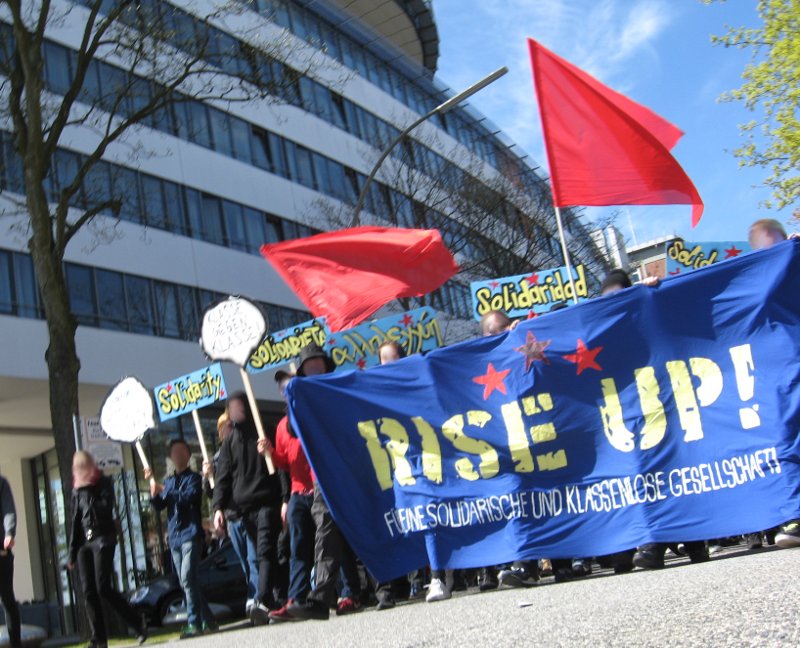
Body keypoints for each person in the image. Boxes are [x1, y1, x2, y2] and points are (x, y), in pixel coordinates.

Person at [279, 343, 362, 621]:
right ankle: (322, 596)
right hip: (321, 479)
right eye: (308, 365)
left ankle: (382, 586)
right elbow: (291, 430)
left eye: (318, 363)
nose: (314, 367)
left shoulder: (337, 389)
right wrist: (294, 396)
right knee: (325, 531)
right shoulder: (300, 396)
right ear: (302, 370)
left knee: (356, 532)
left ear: (326, 366)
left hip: (348, 473)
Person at [212, 392, 289, 625]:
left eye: (240, 405)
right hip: (244, 510)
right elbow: (223, 477)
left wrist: (285, 498)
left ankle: (262, 600)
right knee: (265, 554)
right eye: (232, 407)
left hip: (267, 502)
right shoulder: (229, 442)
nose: (237, 410)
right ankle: (277, 599)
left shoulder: (265, 431)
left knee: (265, 551)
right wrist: (218, 508)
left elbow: (281, 467)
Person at [748, 218, 800, 548]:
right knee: (787, 438)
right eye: (766, 250)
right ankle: (796, 514)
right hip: (778, 375)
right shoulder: (750, 280)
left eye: (780, 245)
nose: (775, 254)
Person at [67, 451, 147, 648]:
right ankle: (99, 639)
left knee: (103, 586)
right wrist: (71, 552)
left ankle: (137, 623)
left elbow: (105, 508)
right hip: (83, 544)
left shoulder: (103, 482)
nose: (79, 471)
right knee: (88, 591)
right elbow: (75, 521)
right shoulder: (76, 489)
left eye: (82, 466)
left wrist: (88, 490)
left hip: (103, 538)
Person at [146, 439, 216, 638]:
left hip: (191, 535)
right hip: (175, 538)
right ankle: (208, 620)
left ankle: (194, 622)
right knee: (188, 581)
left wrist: (165, 490)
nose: (177, 455)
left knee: (187, 578)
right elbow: (160, 505)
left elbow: (190, 498)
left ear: (188, 455)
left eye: (181, 452)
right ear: (170, 457)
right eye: (174, 453)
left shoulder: (194, 478)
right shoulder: (168, 481)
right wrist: (153, 493)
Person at [267, 369, 317, 622]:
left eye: (290, 383)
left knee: (330, 543)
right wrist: (270, 453)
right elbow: (285, 462)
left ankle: (348, 593)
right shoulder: (281, 426)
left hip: (321, 488)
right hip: (299, 493)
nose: (285, 389)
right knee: (298, 547)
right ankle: (296, 598)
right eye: (282, 387)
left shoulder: (313, 410)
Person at [203, 413, 260, 616]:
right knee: (245, 562)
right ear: (221, 432)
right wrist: (208, 476)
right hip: (232, 517)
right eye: (227, 426)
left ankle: (256, 600)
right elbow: (213, 492)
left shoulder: (246, 447)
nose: (231, 429)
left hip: (249, 512)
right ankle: (256, 596)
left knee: (254, 559)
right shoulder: (217, 460)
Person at [0, 474, 20, 648]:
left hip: (1, 553)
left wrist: (9, 533)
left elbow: (8, 510)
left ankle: (15, 644)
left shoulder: (1, 483)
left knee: (7, 598)